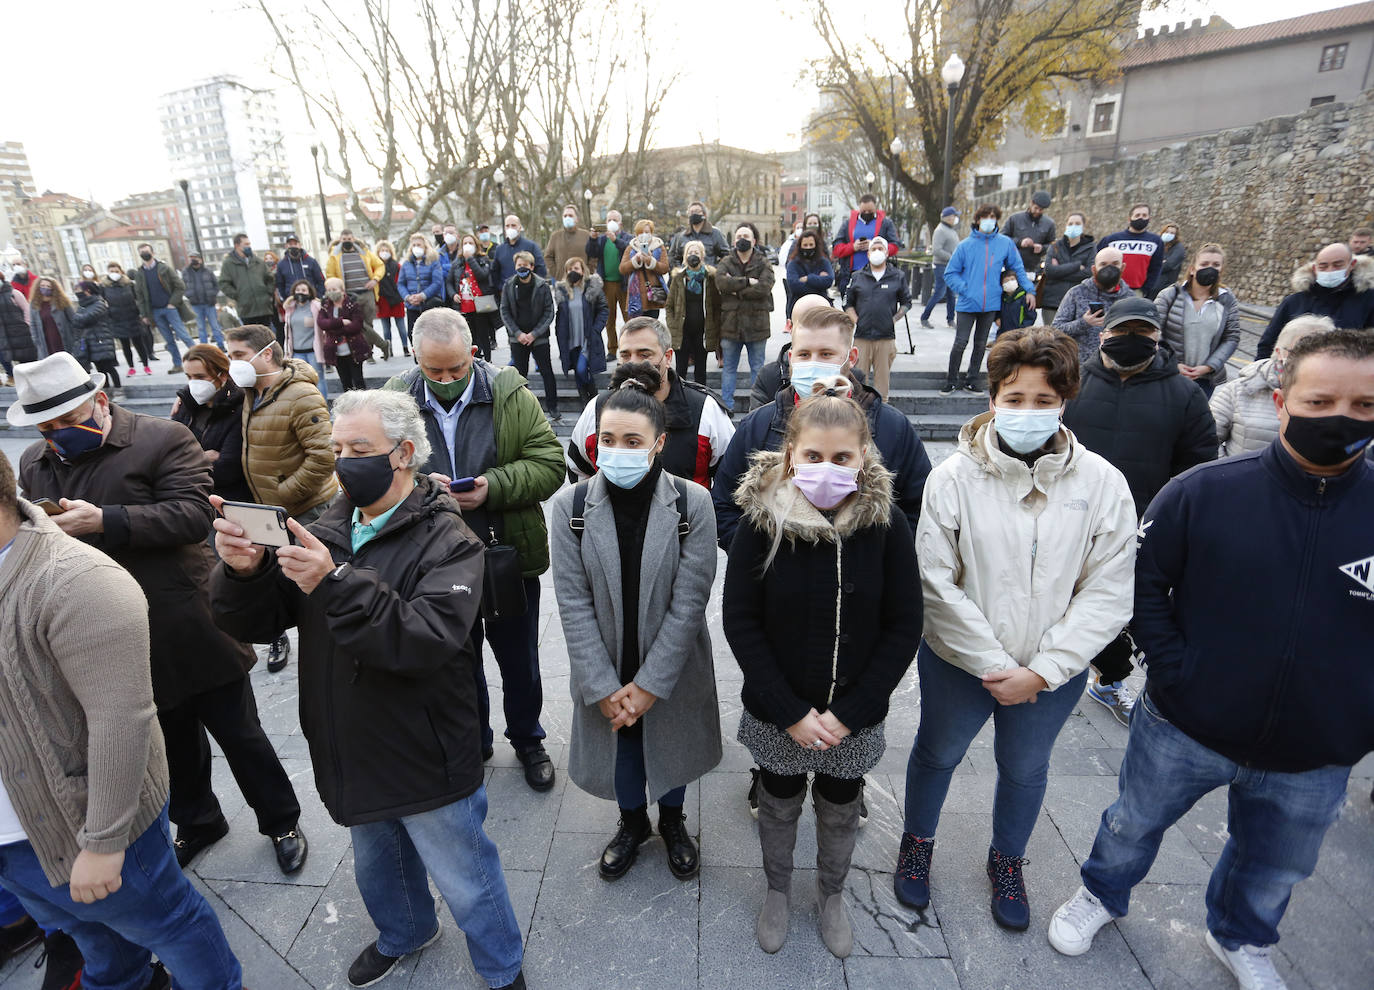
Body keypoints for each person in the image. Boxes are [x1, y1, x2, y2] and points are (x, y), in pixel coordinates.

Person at [1047, 329, 1374, 990]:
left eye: (1364, 405)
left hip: (1317, 748)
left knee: (1277, 861)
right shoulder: (1206, 492)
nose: (1342, 418)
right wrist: (1174, 669)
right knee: (1132, 822)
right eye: (1320, 401)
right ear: (1281, 402)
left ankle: (1242, 936)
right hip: (1186, 724)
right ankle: (1101, 895)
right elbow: (1143, 583)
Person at [209, 388, 528, 990]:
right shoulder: (325, 526)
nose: (344, 461)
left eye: (360, 449)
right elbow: (257, 620)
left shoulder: (449, 540)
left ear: (403, 454)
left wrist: (334, 584)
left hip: (424, 743)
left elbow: (425, 639)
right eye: (337, 448)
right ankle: (405, 932)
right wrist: (243, 570)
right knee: (378, 864)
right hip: (348, 739)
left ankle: (501, 965)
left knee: (465, 871)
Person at [12, 352, 307, 877]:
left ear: (100, 402)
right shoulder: (35, 461)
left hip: (186, 619)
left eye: (66, 421)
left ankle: (280, 819)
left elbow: (193, 515)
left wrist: (105, 520)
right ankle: (198, 821)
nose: (57, 434)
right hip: (105, 635)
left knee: (240, 732)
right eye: (47, 425)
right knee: (168, 741)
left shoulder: (161, 438)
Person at [895, 327, 1136, 931]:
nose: (1026, 411)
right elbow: (934, 578)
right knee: (937, 753)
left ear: (1065, 400)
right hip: (958, 661)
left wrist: (1043, 671)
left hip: (1049, 673)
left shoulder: (1102, 483)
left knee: (1026, 767)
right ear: (992, 396)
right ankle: (917, 843)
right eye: (1013, 396)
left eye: (1042, 399)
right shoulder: (953, 478)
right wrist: (989, 661)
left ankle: (1007, 859)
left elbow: (1108, 587)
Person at [0, 449, 245, 990]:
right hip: (16, 838)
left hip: (83, 821)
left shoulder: (74, 580)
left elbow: (122, 719)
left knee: (167, 922)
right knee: (86, 930)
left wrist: (105, 841)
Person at [723, 392, 922, 958]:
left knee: (840, 804)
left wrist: (850, 712)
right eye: (813, 456)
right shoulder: (761, 525)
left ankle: (831, 892)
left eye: (841, 458)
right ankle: (779, 889)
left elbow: (904, 624)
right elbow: (740, 621)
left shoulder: (887, 526)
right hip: (777, 712)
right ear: (790, 456)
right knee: (779, 800)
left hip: (852, 717)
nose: (827, 469)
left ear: (864, 457)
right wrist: (788, 712)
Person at [550, 363, 721, 882]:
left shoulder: (693, 502)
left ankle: (672, 821)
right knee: (621, 748)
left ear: (659, 442)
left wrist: (649, 685)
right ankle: (631, 824)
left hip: (668, 656)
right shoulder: (570, 506)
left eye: (632, 439)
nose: (618, 449)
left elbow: (690, 601)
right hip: (605, 654)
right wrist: (603, 683)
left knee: (670, 743)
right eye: (607, 438)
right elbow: (571, 602)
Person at [382, 308, 564, 794]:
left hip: (504, 555)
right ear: (414, 357)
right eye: (434, 370)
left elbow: (550, 464)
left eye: (457, 369)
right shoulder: (394, 401)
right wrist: (419, 486)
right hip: (432, 563)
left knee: (519, 660)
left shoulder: (509, 392)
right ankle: (473, 739)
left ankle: (528, 739)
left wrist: (492, 487)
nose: (446, 380)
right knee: (455, 661)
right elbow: (374, 473)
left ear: (473, 354)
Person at [1061, 297, 1216, 724]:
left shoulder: (1184, 395)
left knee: (1127, 607)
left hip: (1143, 526)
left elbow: (1198, 466)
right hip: (1071, 520)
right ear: (1105, 333)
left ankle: (1111, 678)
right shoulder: (1073, 384)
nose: (1131, 341)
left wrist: (1171, 521)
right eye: (1121, 332)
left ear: (1157, 338)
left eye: (1142, 333)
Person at [714, 304, 931, 550]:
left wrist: (885, 560)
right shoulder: (758, 426)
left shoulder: (893, 427)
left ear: (851, 357)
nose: (813, 363)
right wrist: (755, 557)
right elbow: (725, 503)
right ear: (791, 357)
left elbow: (920, 507)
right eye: (804, 354)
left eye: (826, 354)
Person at [567, 316, 734, 488]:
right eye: (625, 355)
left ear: (668, 357)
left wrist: (700, 512)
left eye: (644, 354)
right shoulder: (597, 408)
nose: (633, 363)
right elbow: (578, 468)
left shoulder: (705, 410)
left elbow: (732, 476)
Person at [941, 204, 1035, 395]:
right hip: (967, 303)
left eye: (993, 216)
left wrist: (1029, 290)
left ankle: (972, 379)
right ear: (977, 220)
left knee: (981, 343)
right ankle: (951, 380)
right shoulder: (965, 245)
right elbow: (950, 273)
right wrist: (965, 289)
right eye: (985, 216)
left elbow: (1017, 267)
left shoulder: (1005, 243)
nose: (989, 220)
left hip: (990, 303)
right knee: (960, 342)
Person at [1211, 315, 1333, 456]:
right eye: (1302, 349)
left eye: (1322, 351)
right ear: (1279, 352)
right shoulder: (1241, 388)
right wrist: (1228, 471)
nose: (1312, 358)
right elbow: (1207, 439)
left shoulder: (1340, 397)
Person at [1256, 243, 1374, 358]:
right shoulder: (1294, 301)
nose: (1330, 270)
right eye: (1323, 266)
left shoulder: (1369, 300)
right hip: (1293, 374)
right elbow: (1268, 343)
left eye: (1337, 265)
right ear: (1314, 268)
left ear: (1351, 264)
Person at [170, 343, 255, 502]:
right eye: (189, 377)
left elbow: (226, 471)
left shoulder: (238, 409)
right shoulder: (186, 404)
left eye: (200, 377)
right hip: (190, 497)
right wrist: (202, 456)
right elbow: (168, 451)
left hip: (226, 500)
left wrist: (183, 461)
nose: (193, 383)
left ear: (222, 375)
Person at [1155, 243, 1240, 399]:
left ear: (1222, 270)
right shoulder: (1169, 295)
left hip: (1204, 380)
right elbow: (1153, 332)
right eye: (1204, 264)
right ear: (1193, 269)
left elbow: (1231, 337)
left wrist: (1209, 366)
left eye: (1216, 265)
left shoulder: (1227, 299)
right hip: (1167, 375)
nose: (1210, 268)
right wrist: (1173, 364)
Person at [715, 222, 775, 413]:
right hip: (730, 326)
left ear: (754, 241)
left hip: (757, 326)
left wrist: (737, 291)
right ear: (734, 240)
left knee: (757, 369)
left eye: (746, 237)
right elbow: (721, 283)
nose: (742, 240)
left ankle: (758, 410)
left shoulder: (763, 262)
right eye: (740, 236)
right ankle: (727, 408)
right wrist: (748, 282)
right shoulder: (725, 261)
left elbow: (765, 286)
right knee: (729, 369)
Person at [844, 236, 911, 400]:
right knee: (858, 384)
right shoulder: (857, 276)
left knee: (882, 386)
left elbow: (906, 302)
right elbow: (847, 303)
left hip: (885, 338)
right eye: (873, 249)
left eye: (881, 249)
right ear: (868, 254)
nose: (877, 252)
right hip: (862, 338)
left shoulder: (898, 276)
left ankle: (883, 416)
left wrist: (893, 319)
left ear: (887, 253)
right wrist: (857, 320)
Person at [500, 250, 560, 423]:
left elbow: (549, 312)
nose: (522, 268)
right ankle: (523, 408)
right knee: (520, 375)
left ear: (532, 267)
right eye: (519, 265)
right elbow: (504, 310)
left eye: (525, 266)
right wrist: (518, 334)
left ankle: (553, 406)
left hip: (538, 338)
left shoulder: (542, 285)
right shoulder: (509, 285)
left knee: (547, 372)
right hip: (517, 338)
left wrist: (534, 334)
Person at [1052, 245, 1131, 368]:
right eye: (1103, 265)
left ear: (1123, 267)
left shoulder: (1130, 299)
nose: (1109, 269)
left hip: (1118, 367)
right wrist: (1083, 323)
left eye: (1115, 264)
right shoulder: (1077, 293)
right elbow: (1055, 330)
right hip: (1081, 367)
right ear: (1094, 269)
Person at [324, 230, 391, 359]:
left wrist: (375, 279)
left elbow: (380, 265)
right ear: (340, 240)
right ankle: (381, 345)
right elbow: (330, 275)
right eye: (344, 239)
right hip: (349, 295)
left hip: (367, 294)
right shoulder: (334, 255)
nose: (347, 241)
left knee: (368, 323)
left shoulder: (364, 252)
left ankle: (370, 353)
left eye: (349, 238)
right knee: (359, 325)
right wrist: (338, 290)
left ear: (353, 239)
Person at [666, 239, 721, 385]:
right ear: (685, 256)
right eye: (690, 252)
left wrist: (714, 326)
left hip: (702, 331)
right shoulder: (678, 277)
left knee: (700, 370)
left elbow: (716, 305)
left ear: (702, 256)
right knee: (681, 368)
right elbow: (669, 305)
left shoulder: (710, 277)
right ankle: (680, 397)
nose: (693, 255)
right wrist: (672, 325)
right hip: (682, 331)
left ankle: (700, 398)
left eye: (696, 252)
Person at [554, 256, 608, 406]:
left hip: (587, 339)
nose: (573, 272)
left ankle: (594, 398)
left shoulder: (592, 288)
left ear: (583, 270)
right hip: (570, 340)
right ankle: (587, 403)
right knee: (578, 372)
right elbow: (560, 316)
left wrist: (596, 329)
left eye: (576, 268)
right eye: (570, 269)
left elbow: (604, 309)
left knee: (581, 369)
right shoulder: (563, 291)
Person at [831, 193, 902, 299]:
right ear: (859, 208)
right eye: (864, 211)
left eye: (870, 211)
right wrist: (853, 247)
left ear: (875, 208)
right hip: (851, 274)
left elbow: (894, 246)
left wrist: (875, 246)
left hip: (877, 275)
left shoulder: (885, 223)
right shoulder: (848, 224)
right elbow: (837, 248)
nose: (867, 213)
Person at [448, 231, 499, 362]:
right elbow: (448, 282)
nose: (467, 245)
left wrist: (470, 258)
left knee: (483, 334)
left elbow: (482, 275)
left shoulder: (483, 259)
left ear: (476, 245)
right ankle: (474, 361)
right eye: (465, 243)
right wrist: (453, 294)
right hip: (464, 306)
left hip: (480, 305)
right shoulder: (456, 263)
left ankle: (488, 361)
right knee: (470, 337)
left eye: (470, 243)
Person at [586, 210, 632, 351]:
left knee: (628, 318)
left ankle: (630, 347)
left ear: (620, 223)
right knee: (609, 318)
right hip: (607, 284)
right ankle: (612, 348)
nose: (611, 222)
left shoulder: (627, 237)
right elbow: (591, 253)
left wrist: (615, 240)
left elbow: (629, 250)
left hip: (624, 284)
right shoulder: (601, 240)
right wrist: (593, 238)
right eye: (609, 219)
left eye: (615, 219)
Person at [1038, 212, 1094, 327]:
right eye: (1070, 223)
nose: (1073, 226)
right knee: (1050, 338)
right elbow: (1049, 271)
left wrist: (1059, 270)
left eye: (1077, 223)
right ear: (1066, 226)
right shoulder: (1055, 246)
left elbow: (1089, 272)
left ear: (1084, 226)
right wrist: (1077, 266)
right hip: (1052, 301)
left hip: (1079, 302)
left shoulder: (1091, 247)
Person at [318, 276, 373, 392]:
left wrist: (333, 328)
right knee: (345, 382)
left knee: (358, 381)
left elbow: (356, 325)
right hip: (336, 352)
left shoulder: (353, 304)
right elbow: (322, 323)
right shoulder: (326, 306)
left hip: (354, 350)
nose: (331, 293)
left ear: (342, 290)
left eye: (334, 289)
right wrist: (341, 322)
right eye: (329, 290)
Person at [217, 232, 276, 335]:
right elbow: (223, 283)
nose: (249, 247)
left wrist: (268, 293)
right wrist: (238, 295)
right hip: (246, 309)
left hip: (264, 307)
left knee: (267, 336)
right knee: (252, 338)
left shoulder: (257, 261)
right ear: (237, 246)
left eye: (249, 244)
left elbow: (270, 278)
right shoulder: (229, 264)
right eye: (246, 244)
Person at [1098, 203, 1164, 297]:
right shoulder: (1111, 240)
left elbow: (1156, 268)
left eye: (1144, 215)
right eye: (1137, 215)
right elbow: (1097, 262)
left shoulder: (1155, 242)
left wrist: (1145, 289)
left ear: (1149, 219)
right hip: (1110, 289)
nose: (1141, 218)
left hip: (1136, 292)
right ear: (1129, 219)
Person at [101, 262, 153, 378]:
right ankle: (131, 367)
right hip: (117, 319)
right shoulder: (104, 287)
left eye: (116, 271)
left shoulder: (129, 284)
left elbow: (138, 298)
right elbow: (102, 302)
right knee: (125, 346)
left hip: (132, 317)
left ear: (121, 271)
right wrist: (109, 314)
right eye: (111, 271)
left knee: (139, 343)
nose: (114, 274)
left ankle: (146, 365)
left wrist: (140, 312)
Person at [282, 278, 329, 399]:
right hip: (297, 353)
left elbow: (323, 327)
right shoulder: (290, 308)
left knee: (319, 380)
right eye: (298, 290)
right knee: (301, 382)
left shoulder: (316, 306)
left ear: (309, 292)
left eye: (303, 290)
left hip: (313, 352)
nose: (300, 292)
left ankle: (323, 406)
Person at [70, 280, 121, 390]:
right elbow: (77, 323)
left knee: (109, 368)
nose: (77, 293)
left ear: (87, 291)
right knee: (100, 370)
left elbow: (86, 318)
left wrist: (74, 316)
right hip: (90, 342)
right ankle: (107, 390)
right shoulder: (82, 307)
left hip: (101, 341)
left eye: (79, 290)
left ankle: (118, 389)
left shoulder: (99, 303)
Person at [919, 207, 961, 329]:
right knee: (939, 293)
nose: (956, 218)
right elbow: (937, 250)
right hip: (941, 266)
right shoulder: (940, 230)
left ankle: (950, 319)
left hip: (951, 267)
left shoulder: (951, 230)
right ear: (949, 217)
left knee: (951, 294)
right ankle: (924, 317)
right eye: (954, 216)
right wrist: (952, 257)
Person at [621, 219, 670, 320]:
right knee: (637, 325)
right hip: (635, 294)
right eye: (640, 232)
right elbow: (623, 269)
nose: (644, 235)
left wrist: (650, 261)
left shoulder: (659, 247)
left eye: (647, 232)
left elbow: (665, 268)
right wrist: (635, 260)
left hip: (652, 294)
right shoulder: (631, 248)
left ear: (651, 233)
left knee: (652, 324)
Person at [1001, 190, 1056, 280]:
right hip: (1012, 267)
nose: (1037, 211)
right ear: (1031, 203)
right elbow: (1002, 238)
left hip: (1034, 269)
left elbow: (1053, 245)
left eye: (1041, 210)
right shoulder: (1014, 219)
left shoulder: (1049, 224)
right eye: (1036, 208)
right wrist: (1019, 242)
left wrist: (1042, 248)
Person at [400, 233, 446, 334]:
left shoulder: (434, 261)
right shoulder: (406, 264)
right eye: (414, 245)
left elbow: (437, 282)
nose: (416, 247)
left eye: (419, 245)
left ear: (425, 246)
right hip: (412, 306)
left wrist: (422, 296)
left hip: (429, 304)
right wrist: (408, 297)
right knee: (412, 334)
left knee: (431, 334)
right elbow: (401, 284)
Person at [26, 275, 80, 361]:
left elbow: (73, 320)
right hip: (46, 342)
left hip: (64, 340)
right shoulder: (34, 304)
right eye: (42, 286)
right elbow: (33, 324)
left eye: (48, 286)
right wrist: (37, 341)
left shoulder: (62, 301)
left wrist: (75, 338)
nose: (45, 288)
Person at [785, 227, 835, 319]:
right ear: (800, 246)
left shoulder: (824, 262)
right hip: (799, 307)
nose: (808, 247)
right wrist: (819, 284)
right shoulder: (793, 263)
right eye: (805, 245)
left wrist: (808, 278)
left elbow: (829, 281)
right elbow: (794, 285)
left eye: (811, 244)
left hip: (822, 307)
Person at [490, 214, 548, 293]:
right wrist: (500, 288)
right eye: (507, 226)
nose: (510, 228)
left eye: (513, 225)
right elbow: (494, 272)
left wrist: (535, 288)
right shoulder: (500, 249)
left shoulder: (531, 246)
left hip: (529, 293)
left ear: (520, 227)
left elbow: (540, 268)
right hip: (508, 294)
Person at [373, 239, 410, 357]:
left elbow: (400, 281)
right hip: (383, 300)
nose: (384, 252)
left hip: (397, 299)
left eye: (386, 250)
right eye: (382, 250)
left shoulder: (397, 265)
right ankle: (389, 350)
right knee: (386, 328)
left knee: (401, 327)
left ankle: (405, 348)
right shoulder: (376, 267)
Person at [182, 251, 226, 348]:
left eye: (195, 258)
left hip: (209, 303)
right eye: (191, 258)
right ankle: (204, 348)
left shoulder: (208, 271)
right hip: (195, 304)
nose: (193, 260)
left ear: (200, 259)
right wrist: (190, 296)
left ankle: (221, 345)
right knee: (201, 327)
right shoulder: (186, 272)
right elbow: (182, 287)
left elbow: (216, 285)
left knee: (215, 326)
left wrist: (212, 295)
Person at [669, 201, 731, 267]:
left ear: (704, 214)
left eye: (697, 211)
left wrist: (716, 269)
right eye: (691, 212)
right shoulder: (682, 236)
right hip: (687, 275)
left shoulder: (715, 233)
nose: (694, 214)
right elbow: (673, 257)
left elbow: (726, 255)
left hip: (709, 275)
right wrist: (680, 271)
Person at [273, 231, 326, 302]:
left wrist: (318, 296)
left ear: (300, 245)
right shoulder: (281, 264)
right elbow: (280, 285)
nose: (293, 246)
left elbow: (321, 280)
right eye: (290, 244)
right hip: (292, 302)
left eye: (295, 244)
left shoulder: (311, 261)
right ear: (286, 246)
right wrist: (285, 300)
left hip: (311, 300)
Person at [0, 273, 33, 384]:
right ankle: (12, 376)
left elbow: (26, 309)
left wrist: (27, 324)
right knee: (6, 356)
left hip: (20, 332)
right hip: (4, 334)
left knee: (26, 358)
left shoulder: (14, 293)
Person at [546, 203, 591, 279]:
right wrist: (556, 273)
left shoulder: (586, 235)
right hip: (562, 281)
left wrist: (587, 272)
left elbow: (593, 257)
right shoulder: (555, 236)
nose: (567, 218)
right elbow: (548, 257)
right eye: (565, 216)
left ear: (577, 219)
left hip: (582, 280)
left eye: (570, 215)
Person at [1147, 221, 1186, 300]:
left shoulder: (1179, 248)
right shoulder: (1159, 245)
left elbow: (1169, 264)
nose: (1168, 234)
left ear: (1176, 236)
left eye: (1172, 233)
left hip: (1164, 285)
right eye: (1167, 232)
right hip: (1151, 283)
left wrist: (1156, 264)